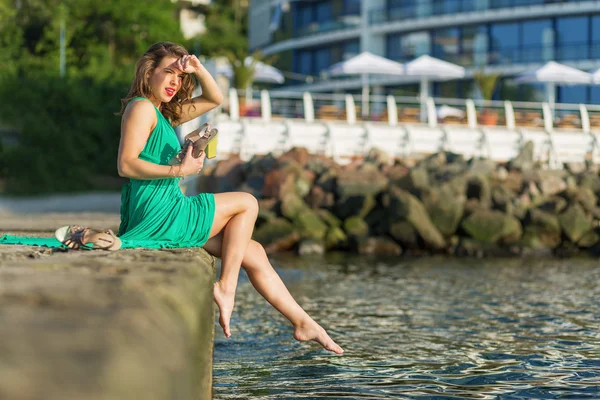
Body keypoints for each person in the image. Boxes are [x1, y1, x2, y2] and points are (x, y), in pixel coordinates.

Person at [117, 42, 343, 354]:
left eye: (180, 77)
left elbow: (214, 98)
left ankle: (303, 322)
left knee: (253, 250)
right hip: (160, 212)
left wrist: (196, 68)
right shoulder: (141, 107)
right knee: (248, 203)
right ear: (148, 71)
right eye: (168, 72)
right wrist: (177, 169)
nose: (175, 82)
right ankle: (226, 288)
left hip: (166, 209)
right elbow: (126, 164)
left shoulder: (164, 114)